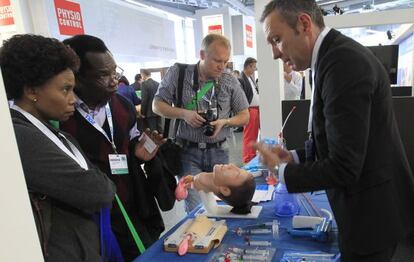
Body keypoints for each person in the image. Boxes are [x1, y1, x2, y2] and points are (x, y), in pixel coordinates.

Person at [255, 1, 414, 261]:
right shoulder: (330, 59)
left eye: (277, 39)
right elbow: (337, 141)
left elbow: (345, 166)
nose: (274, 53)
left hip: (371, 219)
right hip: (368, 210)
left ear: (304, 24)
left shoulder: (343, 64)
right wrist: (293, 157)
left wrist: (283, 172)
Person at [0, 34, 116, 261]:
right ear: (32, 91)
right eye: (65, 90)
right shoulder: (19, 136)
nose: (73, 99)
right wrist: (97, 184)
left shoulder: (61, 135)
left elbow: (99, 185)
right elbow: (98, 191)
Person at [60, 34, 176, 261]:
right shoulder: (62, 117)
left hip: (131, 203)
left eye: (115, 72)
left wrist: (140, 154)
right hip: (93, 215)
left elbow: (130, 142)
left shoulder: (122, 105)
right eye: (103, 76)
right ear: (77, 78)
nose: (114, 81)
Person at [153, 33, 250, 213]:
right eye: (217, 61)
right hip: (188, 151)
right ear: (202, 55)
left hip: (220, 153)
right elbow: (157, 105)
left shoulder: (229, 80)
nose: (222, 67)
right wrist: (184, 114)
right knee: (196, 208)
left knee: (225, 206)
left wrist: (225, 121)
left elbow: (245, 115)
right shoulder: (179, 73)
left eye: (225, 61)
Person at [178, 164, 256, 214]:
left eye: (236, 173)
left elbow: (201, 180)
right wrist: (194, 179)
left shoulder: (206, 181)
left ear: (225, 190)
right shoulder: (211, 180)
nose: (232, 165)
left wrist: (194, 181)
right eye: (238, 168)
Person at [238, 57, 260, 164]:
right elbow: (241, 98)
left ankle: (252, 156)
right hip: (249, 110)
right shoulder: (241, 79)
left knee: (254, 135)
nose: (255, 69)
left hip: (256, 110)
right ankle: (248, 158)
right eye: (254, 67)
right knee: (249, 136)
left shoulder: (250, 78)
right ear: (249, 66)